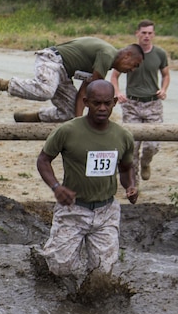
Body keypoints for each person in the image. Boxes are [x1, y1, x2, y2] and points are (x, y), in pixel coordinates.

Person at [33, 79, 138, 288]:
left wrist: (130, 186)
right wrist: (56, 187)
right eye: (96, 103)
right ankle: (42, 260)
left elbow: (126, 168)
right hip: (73, 208)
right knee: (59, 268)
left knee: (101, 276)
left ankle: (87, 301)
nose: (102, 108)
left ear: (115, 102)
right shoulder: (68, 131)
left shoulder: (122, 136)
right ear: (86, 101)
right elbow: (43, 160)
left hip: (106, 211)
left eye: (107, 103)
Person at [0, 37, 144, 122]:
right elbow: (89, 95)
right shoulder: (108, 55)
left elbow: (83, 94)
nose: (132, 70)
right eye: (134, 65)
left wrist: (77, 121)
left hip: (63, 72)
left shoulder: (105, 62)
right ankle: (0, 83)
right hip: (52, 60)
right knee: (46, 90)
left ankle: (33, 118)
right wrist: (83, 124)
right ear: (127, 55)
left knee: (69, 112)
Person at [110, 20, 170, 181]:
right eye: (143, 33)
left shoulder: (160, 54)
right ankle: (133, 184)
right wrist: (117, 93)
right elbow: (114, 75)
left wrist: (163, 89)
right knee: (132, 147)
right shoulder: (128, 53)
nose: (146, 36)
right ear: (137, 33)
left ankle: (146, 162)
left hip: (153, 104)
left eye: (150, 33)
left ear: (154, 35)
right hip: (132, 104)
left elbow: (166, 75)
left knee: (153, 144)